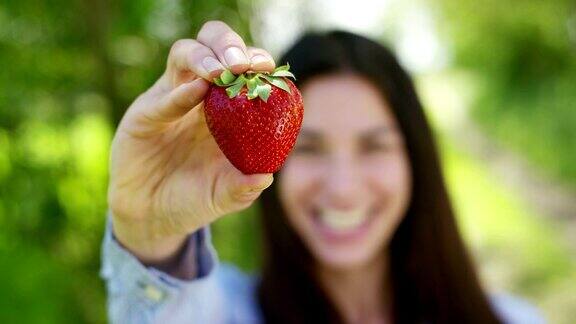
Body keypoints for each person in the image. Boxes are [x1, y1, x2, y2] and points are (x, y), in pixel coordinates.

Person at [100, 20, 544, 324]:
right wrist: (150, 233)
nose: (343, 189)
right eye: (308, 148)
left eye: (374, 146)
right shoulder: (224, 312)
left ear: (416, 159)